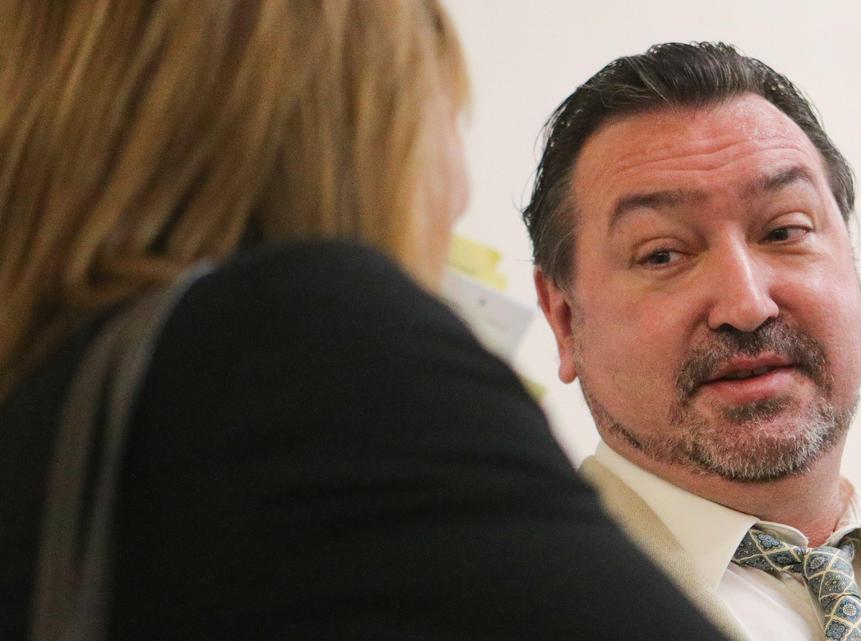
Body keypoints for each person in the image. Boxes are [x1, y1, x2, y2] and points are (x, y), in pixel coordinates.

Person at [0, 3, 735, 640]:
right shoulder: (303, 349)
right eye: (444, 117)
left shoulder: (58, 409)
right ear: (348, 132)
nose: (457, 190)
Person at [524, 42, 861, 641]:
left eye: (784, 230)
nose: (746, 304)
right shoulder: (495, 598)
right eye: (662, 253)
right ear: (563, 318)